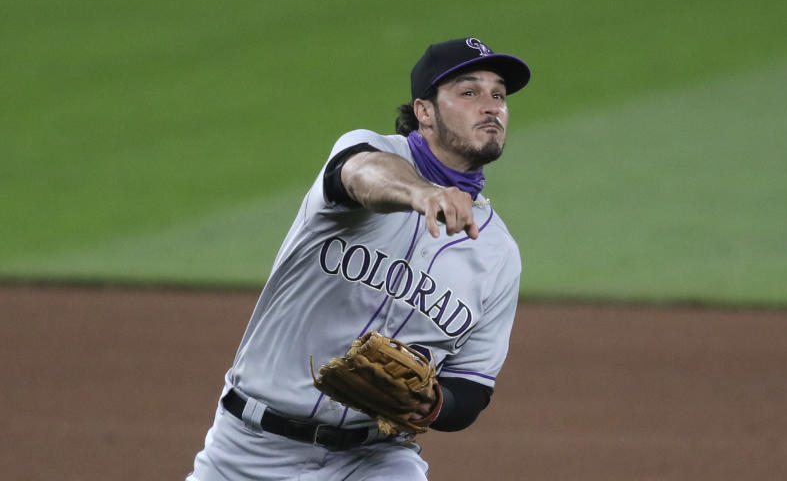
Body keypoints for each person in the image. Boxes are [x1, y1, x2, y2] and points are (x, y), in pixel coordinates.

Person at [187, 36, 531, 480]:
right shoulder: (370, 151)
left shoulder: (499, 253)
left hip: (374, 461)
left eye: (498, 95)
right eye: (469, 92)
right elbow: (359, 174)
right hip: (247, 453)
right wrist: (424, 194)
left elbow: (473, 386)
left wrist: (433, 404)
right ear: (424, 111)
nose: (491, 106)